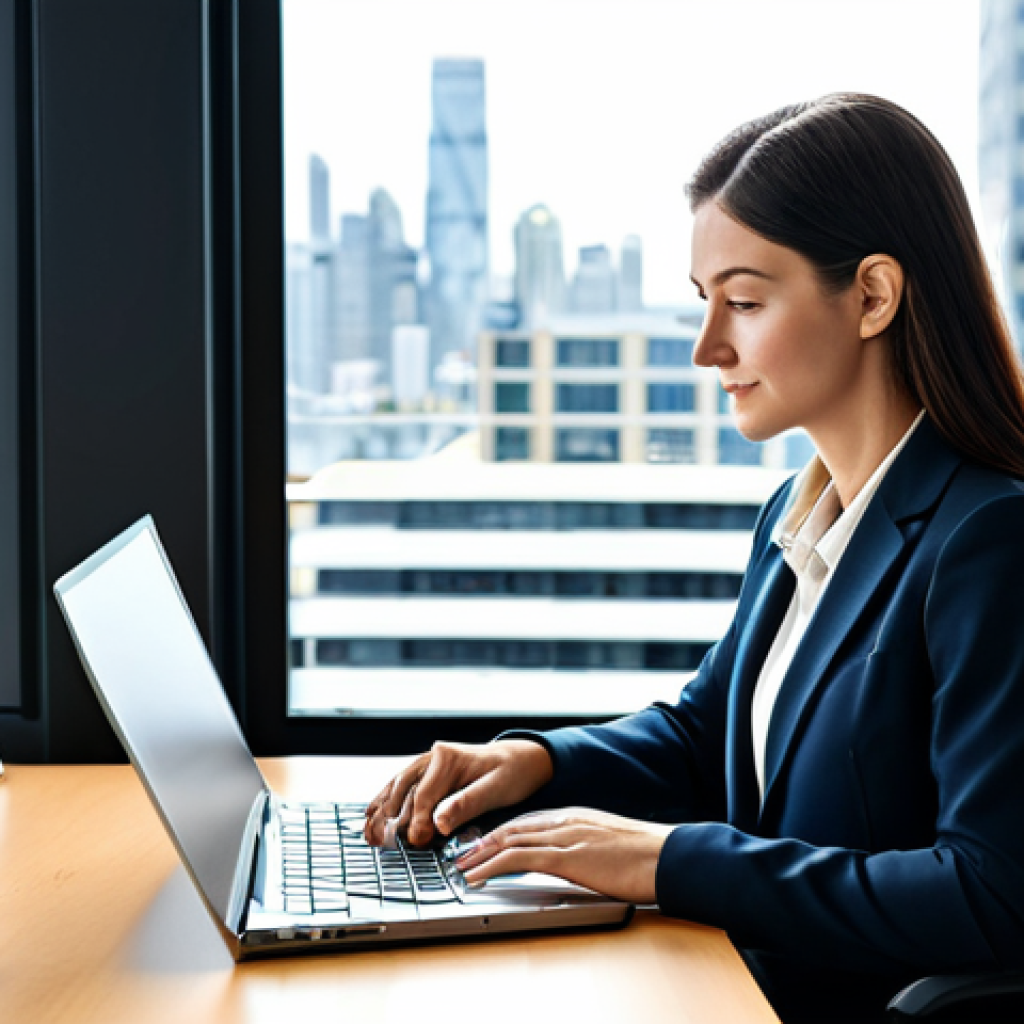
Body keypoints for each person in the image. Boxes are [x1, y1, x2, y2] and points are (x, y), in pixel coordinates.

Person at [363, 94, 1024, 1022]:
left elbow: (989, 893)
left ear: (872, 295)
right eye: (703, 303)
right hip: (728, 984)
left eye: (745, 302)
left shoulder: (989, 540)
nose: (709, 347)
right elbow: (710, 730)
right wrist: (530, 761)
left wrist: (666, 862)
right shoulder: (797, 517)